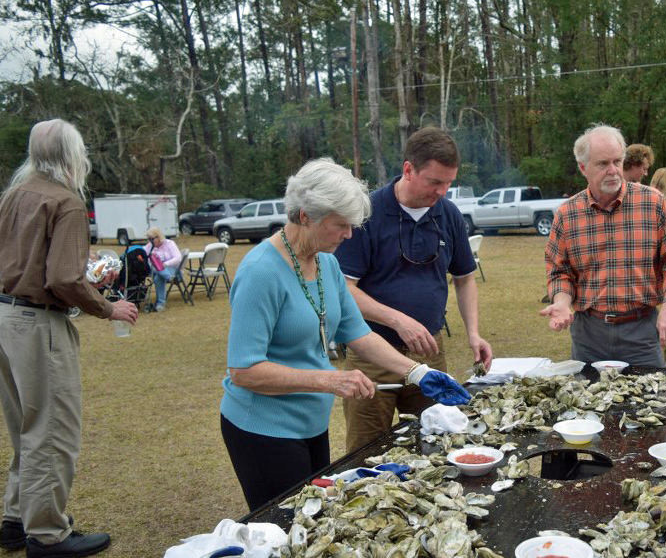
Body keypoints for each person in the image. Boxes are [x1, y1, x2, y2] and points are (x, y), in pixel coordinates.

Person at [221, 158, 471, 511]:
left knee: (317, 515)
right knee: (285, 525)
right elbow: (244, 371)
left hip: (310, 421)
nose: (350, 235)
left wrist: (417, 372)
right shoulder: (261, 272)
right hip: (265, 429)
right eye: (341, 225)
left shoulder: (327, 263)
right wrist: (331, 381)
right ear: (305, 215)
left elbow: (357, 332)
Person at [0, 119, 138, 558]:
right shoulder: (66, 202)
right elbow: (62, 278)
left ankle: (16, 521)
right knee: (52, 431)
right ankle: (47, 535)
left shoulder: (14, 195)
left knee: (25, 427)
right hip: (38, 324)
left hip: (5, 316)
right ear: (72, 155)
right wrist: (108, 306)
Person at [335, 127, 492, 452]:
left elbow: (464, 278)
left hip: (429, 352)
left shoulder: (448, 214)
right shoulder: (367, 213)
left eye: (448, 182)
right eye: (435, 182)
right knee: (366, 452)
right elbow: (344, 288)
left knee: (440, 443)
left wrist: (473, 334)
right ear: (408, 169)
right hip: (371, 355)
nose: (443, 191)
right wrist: (397, 320)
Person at [540, 124, 666, 366]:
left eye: (617, 161)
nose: (613, 171)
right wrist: (562, 303)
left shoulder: (653, 203)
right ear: (583, 167)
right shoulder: (568, 214)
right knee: (588, 402)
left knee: (651, 401)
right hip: (589, 335)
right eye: (602, 164)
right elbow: (560, 271)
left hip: (641, 333)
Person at [142, 227, 182, 312]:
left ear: (158, 237)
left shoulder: (170, 244)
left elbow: (178, 258)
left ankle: (160, 303)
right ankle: (168, 277)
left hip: (171, 268)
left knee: (158, 278)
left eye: (152, 239)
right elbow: (143, 254)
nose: (150, 241)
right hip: (157, 270)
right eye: (148, 239)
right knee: (156, 268)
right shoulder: (149, 246)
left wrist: (165, 264)